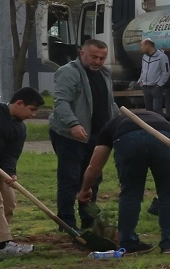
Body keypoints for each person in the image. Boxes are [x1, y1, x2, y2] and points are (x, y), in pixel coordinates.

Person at [76, 109, 170, 254]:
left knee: (130, 194)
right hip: (166, 136)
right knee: (168, 192)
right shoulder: (164, 122)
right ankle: (169, 246)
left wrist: (85, 189)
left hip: (129, 139)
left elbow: (95, 166)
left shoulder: (111, 125)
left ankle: (128, 243)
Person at [48, 38, 119, 230]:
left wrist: (119, 122)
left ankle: (89, 220)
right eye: (94, 57)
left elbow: (109, 103)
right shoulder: (68, 72)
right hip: (69, 136)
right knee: (70, 179)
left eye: (102, 58)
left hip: (97, 136)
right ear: (82, 53)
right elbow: (61, 102)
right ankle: (66, 223)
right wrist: (73, 124)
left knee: (92, 178)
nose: (98, 62)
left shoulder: (105, 74)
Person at [0, 86, 44, 257]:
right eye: (32, 109)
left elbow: (11, 154)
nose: (33, 115)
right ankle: (3, 244)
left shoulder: (20, 128)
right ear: (19, 103)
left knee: (9, 202)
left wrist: (10, 172)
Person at [138, 39, 170, 119]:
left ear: (148, 45)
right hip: (146, 87)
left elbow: (166, 72)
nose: (141, 48)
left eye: (142, 46)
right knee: (148, 110)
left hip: (156, 87)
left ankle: (161, 124)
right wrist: (140, 80)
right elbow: (143, 70)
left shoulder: (162, 57)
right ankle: (151, 125)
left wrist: (159, 84)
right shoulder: (144, 57)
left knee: (156, 110)